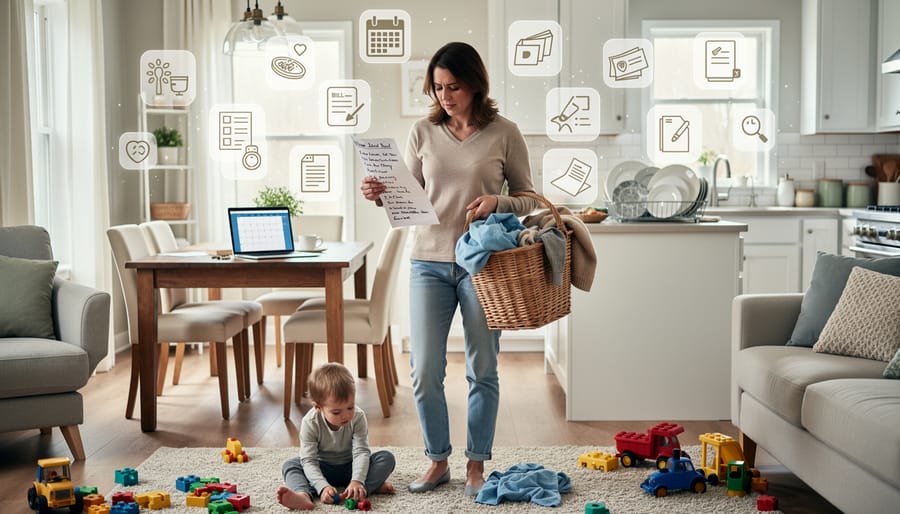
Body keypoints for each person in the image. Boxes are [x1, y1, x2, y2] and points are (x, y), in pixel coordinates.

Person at [360, 41, 540, 497]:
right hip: (428, 263)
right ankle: (437, 461)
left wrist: (499, 201)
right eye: (438, 88)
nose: (445, 96)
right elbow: (410, 198)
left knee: (483, 369)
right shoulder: (422, 132)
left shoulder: (505, 133)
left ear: (475, 85)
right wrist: (381, 192)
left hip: (483, 266)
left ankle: (477, 464)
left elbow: (529, 198)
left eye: (453, 87)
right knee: (424, 371)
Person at [277, 363, 395, 510]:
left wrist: (357, 480)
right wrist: (322, 486)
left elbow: (361, 452)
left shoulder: (358, 417)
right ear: (318, 407)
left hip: (351, 467)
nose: (346, 415)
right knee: (291, 465)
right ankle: (304, 495)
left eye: (350, 407)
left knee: (386, 458)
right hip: (323, 468)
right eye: (336, 412)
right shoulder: (310, 422)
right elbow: (309, 460)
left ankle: (360, 488)